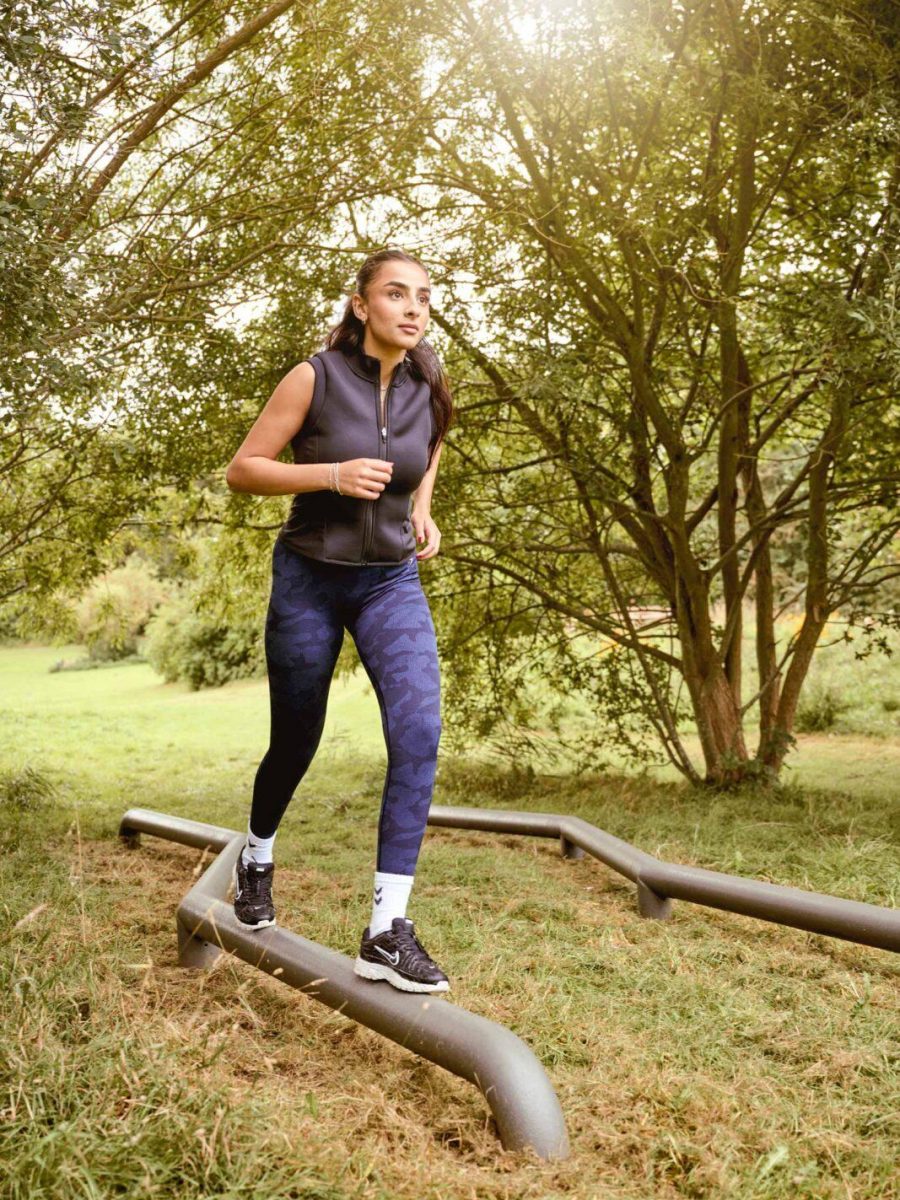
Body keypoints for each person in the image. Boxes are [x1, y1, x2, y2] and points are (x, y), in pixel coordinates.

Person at [225, 248, 454, 994]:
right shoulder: (313, 378)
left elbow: (434, 445)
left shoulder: (431, 380)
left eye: (423, 296)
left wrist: (421, 510)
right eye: (396, 294)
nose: (413, 308)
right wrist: (329, 474)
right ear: (361, 305)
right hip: (309, 581)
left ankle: (387, 929)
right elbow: (245, 469)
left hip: (390, 582)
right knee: (296, 738)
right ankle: (257, 853)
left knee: (418, 732)